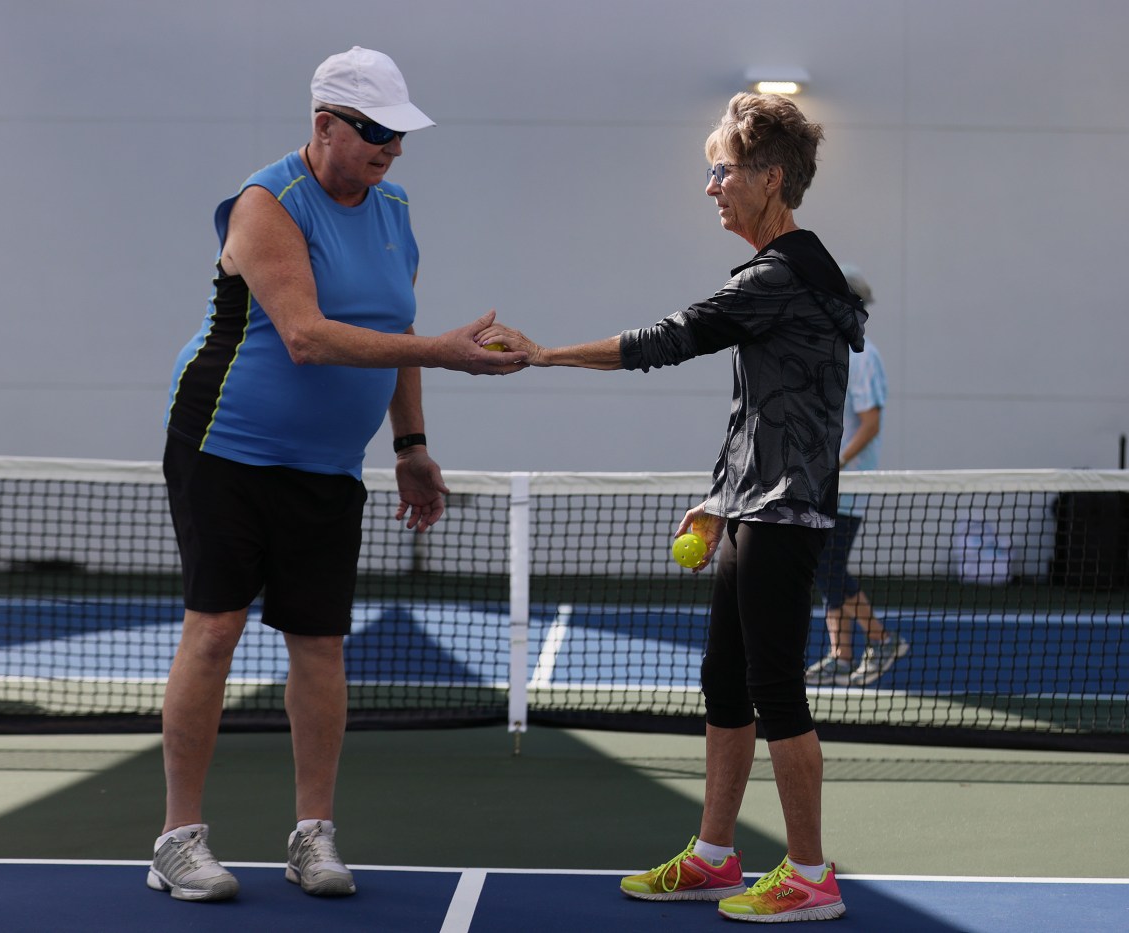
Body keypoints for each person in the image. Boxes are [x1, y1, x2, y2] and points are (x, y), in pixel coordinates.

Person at [149, 46, 526, 903]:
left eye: (400, 134)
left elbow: (398, 330)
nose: (392, 148)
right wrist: (447, 353)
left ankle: (312, 835)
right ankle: (177, 839)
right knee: (215, 629)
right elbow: (306, 336)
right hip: (225, 447)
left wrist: (411, 444)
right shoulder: (267, 203)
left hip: (327, 465)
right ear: (325, 125)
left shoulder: (395, 208)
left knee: (319, 642)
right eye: (376, 132)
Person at [478, 92, 864, 923]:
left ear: (769, 178)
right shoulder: (790, 273)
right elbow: (766, 412)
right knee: (725, 681)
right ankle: (715, 857)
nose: (711, 186)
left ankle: (809, 875)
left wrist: (544, 355)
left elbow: (667, 339)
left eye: (722, 171)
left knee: (776, 690)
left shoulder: (781, 274)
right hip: (754, 507)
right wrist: (720, 500)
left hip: (786, 515)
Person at [805, 265, 909, 688]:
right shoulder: (831, 351)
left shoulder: (863, 356)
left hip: (846, 485)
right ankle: (842, 655)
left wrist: (835, 466)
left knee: (827, 566)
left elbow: (870, 425)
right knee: (823, 568)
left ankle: (882, 640)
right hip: (823, 483)